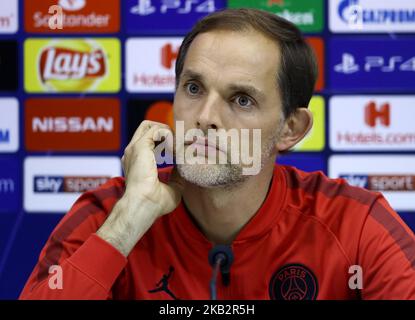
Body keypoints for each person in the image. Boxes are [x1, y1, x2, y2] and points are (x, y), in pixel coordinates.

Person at [20, 8, 415, 300]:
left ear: (291, 129)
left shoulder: (357, 226)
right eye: (193, 89)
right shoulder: (107, 215)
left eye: (241, 99)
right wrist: (127, 223)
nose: (205, 117)